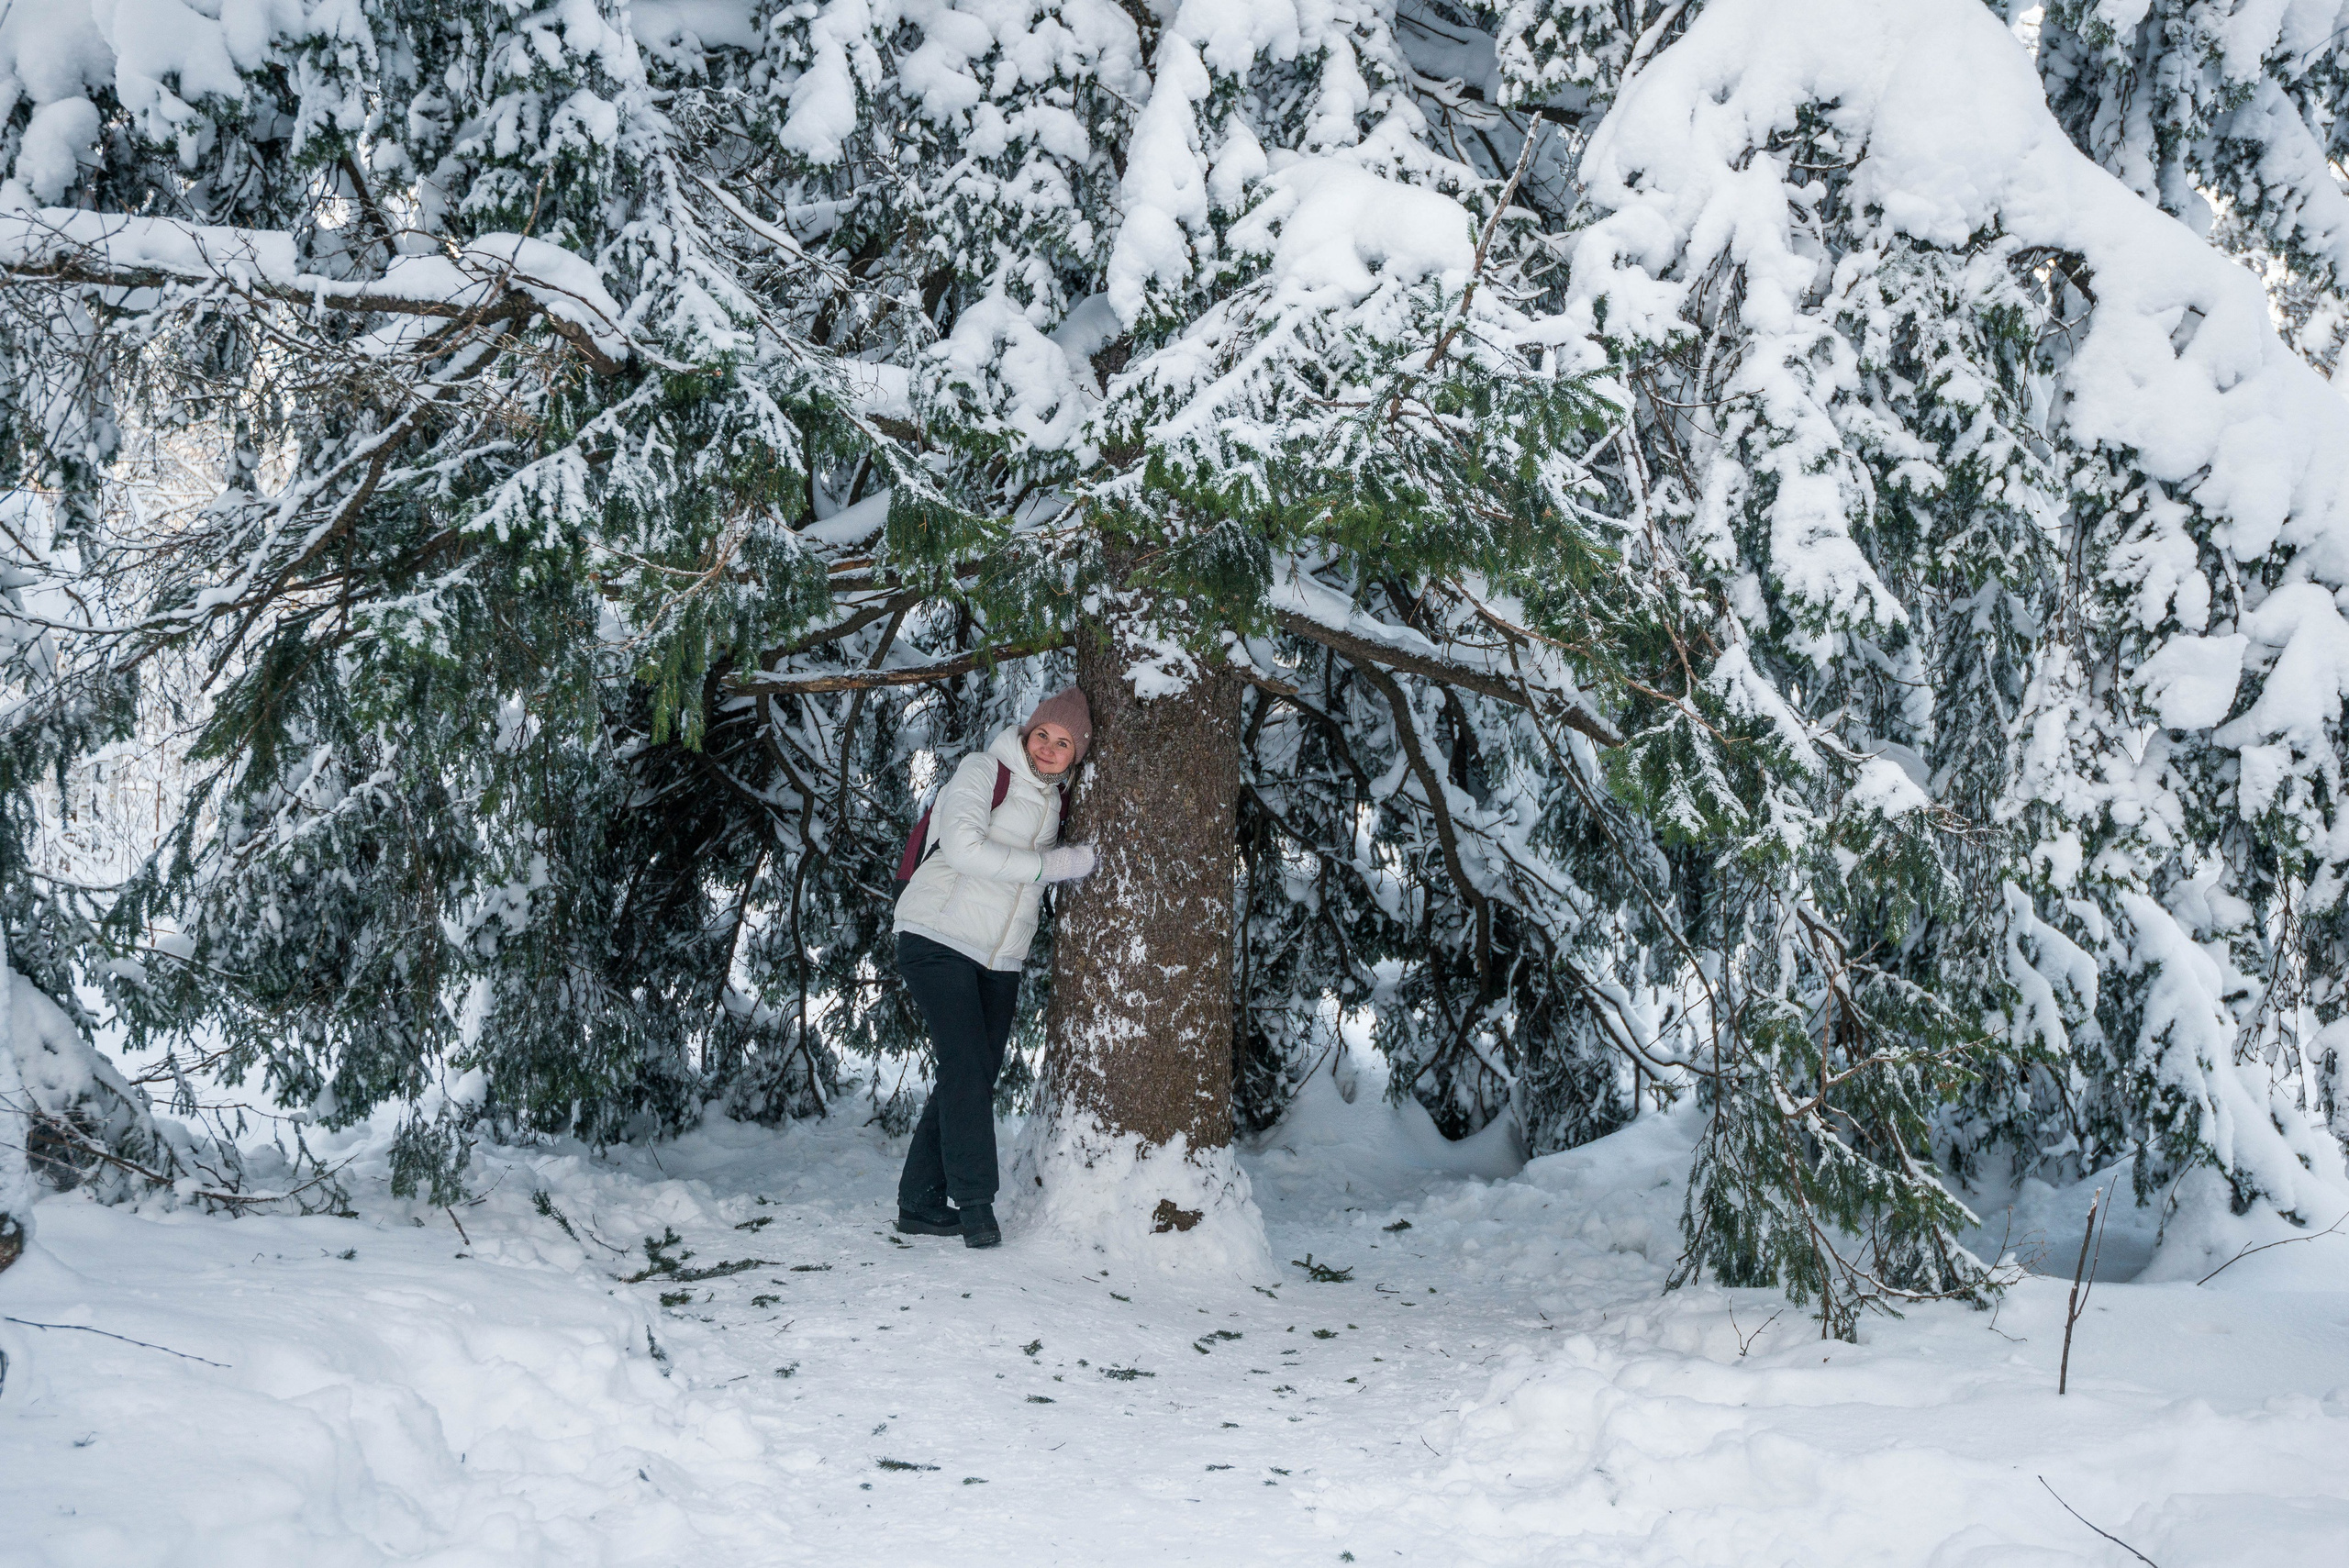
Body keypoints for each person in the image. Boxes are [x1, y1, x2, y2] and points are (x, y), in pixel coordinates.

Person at [892, 687, 1097, 1248]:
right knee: (964, 1064)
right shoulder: (985, 769)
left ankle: (919, 1202)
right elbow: (962, 848)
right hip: (936, 934)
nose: (1050, 749)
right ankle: (976, 1204)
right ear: (1026, 733)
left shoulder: (1060, 799)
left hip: (999, 956)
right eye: (1043, 735)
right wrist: (1052, 866)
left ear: (1077, 754)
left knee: (974, 1072)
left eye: (1065, 743)